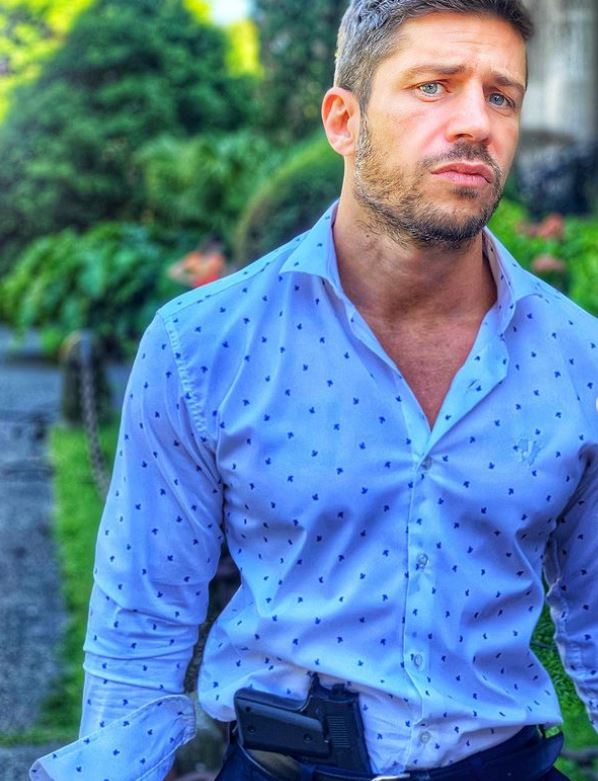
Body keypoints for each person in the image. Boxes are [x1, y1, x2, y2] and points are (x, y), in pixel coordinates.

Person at [31, 1, 598, 779]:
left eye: (501, 95)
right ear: (343, 120)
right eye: (433, 86)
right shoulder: (203, 344)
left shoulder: (579, 357)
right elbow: (141, 630)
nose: (476, 122)